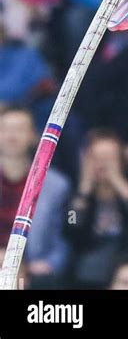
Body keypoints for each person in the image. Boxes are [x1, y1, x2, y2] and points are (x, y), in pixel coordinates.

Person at [65, 129, 128, 289]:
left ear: (121, 160)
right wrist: (84, 190)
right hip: (87, 268)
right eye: (97, 158)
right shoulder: (77, 192)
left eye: (109, 158)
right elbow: (72, 227)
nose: (103, 164)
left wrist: (119, 182)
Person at [0, 107, 70, 288]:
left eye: (20, 129)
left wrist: (50, 263)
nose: (12, 136)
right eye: (6, 128)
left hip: (33, 271)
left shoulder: (56, 185)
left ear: (33, 135)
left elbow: (62, 237)